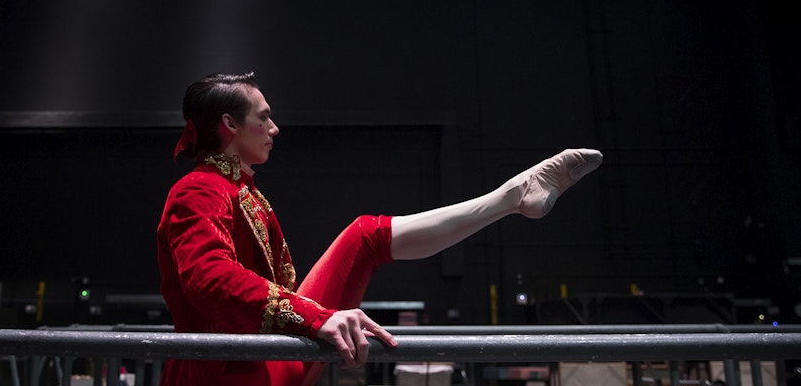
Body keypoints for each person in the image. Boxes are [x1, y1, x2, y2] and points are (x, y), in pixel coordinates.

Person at [157, 72, 603, 386]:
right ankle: (510, 198)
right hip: (228, 374)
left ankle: (510, 198)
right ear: (229, 125)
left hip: (261, 361)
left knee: (364, 234)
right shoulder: (197, 189)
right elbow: (208, 278)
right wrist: (317, 316)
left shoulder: (236, 189)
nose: (274, 127)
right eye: (263, 117)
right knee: (364, 236)